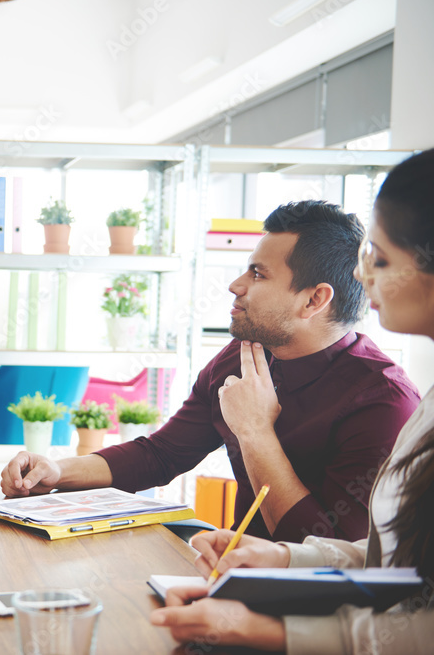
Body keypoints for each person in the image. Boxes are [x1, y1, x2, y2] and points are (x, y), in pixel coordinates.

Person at [150, 148, 434, 653]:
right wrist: (282, 559)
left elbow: (418, 620)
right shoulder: (245, 356)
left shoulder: (388, 399)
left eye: (381, 259)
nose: (363, 277)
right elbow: (391, 561)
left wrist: (264, 629)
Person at [2, 200, 420, 542]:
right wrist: (58, 471)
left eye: (258, 274)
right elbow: (161, 454)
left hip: (310, 609)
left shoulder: (383, 403)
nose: (236, 285)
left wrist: (255, 432)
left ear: (314, 300)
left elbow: (329, 550)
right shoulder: (242, 354)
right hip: (231, 570)